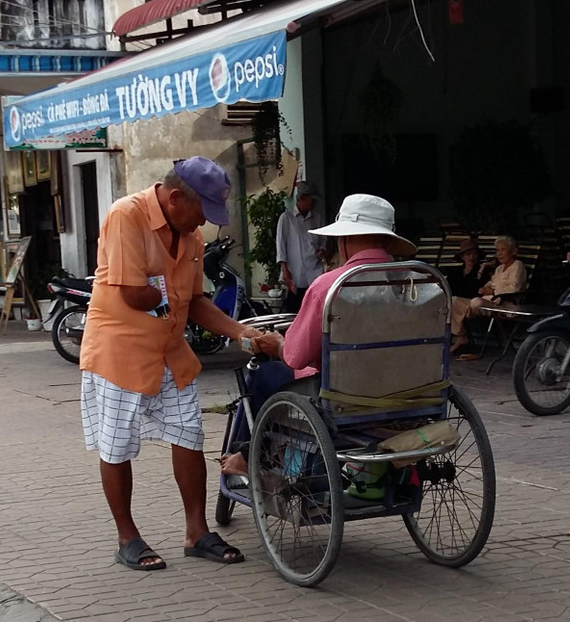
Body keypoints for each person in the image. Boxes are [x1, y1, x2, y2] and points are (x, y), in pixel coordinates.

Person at [80, 157, 279, 572]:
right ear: (175, 198)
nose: (204, 223)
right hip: (120, 351)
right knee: (116, 444)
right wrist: (169, 295)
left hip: (171, 350)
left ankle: (197, 533)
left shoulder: (191, 237)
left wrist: (243, 333)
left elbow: (197, 301)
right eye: (202, 212)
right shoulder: (126, 215)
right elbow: (135, 294)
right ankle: (127, 537)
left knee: (188, 434)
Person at [220, 194, 417, 478]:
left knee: (265, 374)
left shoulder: (329, 286)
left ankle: (248, 455)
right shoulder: (416, 283)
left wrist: (279, 345)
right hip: (407, 395)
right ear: (387, 240)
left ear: (345, 239)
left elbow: (295, 357)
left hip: (342, 398)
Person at [449, 236, 528, 354]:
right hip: (488, 302)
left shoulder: (518, 265)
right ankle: (461, 336)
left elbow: (515, 287)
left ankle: (468, 312)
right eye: (497, 250)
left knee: (476, 302)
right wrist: (486, 288)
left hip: (503, 305)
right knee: (453, 301)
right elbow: (491, 283)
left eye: (503, 250)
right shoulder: (499, 268)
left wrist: (493, 292)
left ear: (513, 251)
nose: (499, 253)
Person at [275, 181, 326, 313]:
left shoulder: (317, 218)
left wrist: (322, 250)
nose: (314, 203)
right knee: (295, 311)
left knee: (315, 311)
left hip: (314, 272)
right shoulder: (286, 218)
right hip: (296, 274)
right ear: (302, 198)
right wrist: (285, 270)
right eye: (311, 199)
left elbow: (323, 241)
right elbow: (281, 246)